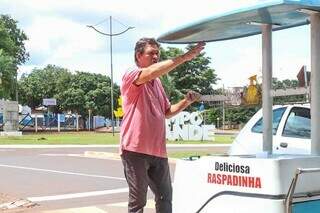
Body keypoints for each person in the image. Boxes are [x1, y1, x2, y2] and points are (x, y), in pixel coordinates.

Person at [120, 37, 205, 213]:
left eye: (158, 53)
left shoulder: (157, 83)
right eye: (151, 53)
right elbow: (150, 72)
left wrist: (186, 101)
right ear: (139, 55)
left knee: (165, 197)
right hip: (135, 150)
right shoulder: (131, 74)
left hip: (158, 151)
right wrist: (184, 57)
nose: (156, 57)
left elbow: (167, 112)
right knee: (138, 202)